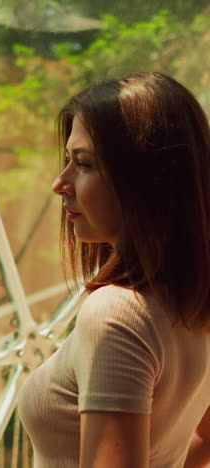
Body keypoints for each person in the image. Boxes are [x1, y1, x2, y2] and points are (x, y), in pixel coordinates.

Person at [18, 72, 210, 467]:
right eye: (67, 160)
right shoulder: (195, 301)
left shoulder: (118, 313)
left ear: (145, 181)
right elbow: (202, 441)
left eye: (83, 164)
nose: (60, 182)